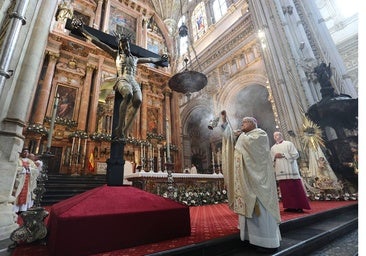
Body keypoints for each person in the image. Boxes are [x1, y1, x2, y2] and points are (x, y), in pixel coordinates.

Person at [71, 18, 168, 138]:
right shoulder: (115, 54)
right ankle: (119, 126)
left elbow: (150, 59)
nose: (124, 45)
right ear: (120, 46)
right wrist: (82, 30)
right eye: (122, 44)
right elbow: (98, 42)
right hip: (122, 79)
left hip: (133, 80)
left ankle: (125, 129)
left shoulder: (135, 59)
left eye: (126, 43)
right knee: (128, 95)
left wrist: (161, 59)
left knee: (138, 101)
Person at [221, 111, 281, 253]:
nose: (242, 124)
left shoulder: (260, 134)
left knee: (260, 210)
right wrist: (224, 123)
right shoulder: (244, 137)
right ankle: (251, 238)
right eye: (241, 122)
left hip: (258, 184)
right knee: (248, 208)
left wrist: (239, 135)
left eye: (245, 122)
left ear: (253, 123)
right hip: (246, 181)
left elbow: (251, 148)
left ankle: (267, 242)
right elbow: (232, 140)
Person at [270, 131, 311, 213]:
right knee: (285, 189)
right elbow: (271, 159)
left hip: (290, 168)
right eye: (275, 136)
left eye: (278, 135)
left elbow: (296, 154)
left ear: (281, 135)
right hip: (280, 169)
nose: (276, 137)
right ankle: (289, 206)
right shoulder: (273, 148)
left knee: (295, 187)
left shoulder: (288, 144)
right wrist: (274, 157)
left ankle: (299, 206)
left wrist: (284, 155)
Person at [12, 149, 39, 213]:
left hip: (28, 182)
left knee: (27, 194)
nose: (25, 153)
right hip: (19, 181)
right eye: (24, 152)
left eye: (27, 152)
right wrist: (23, 169)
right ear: (21, 152)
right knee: (17, 193)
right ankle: (15, 209)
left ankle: (23, 209)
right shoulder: (18, 160)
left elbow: (35, 170)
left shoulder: (30, 161)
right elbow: (14, 168)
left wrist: (29, 168)